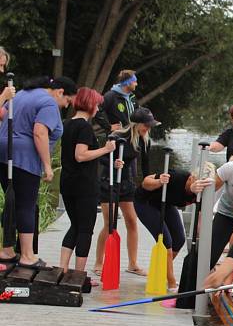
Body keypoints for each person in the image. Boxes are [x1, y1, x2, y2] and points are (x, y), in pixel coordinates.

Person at [0, 76, 77, 269]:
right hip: (24, 158)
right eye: (67, 101)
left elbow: (5, 115)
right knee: (26, 205)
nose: (66, 106)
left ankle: (7, 250)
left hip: (3, 153)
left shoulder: (21, 95)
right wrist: (47, 165)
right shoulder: (48, 103)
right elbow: (40, 132)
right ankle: (27, 256)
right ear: (60, 92)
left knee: (13, 201)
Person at [93, 107, 160, 276]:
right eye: (146, 125)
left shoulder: (145, 141)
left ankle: (132, 264)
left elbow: (146, 168)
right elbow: (100, 157)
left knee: (131, 221)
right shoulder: (116, 137)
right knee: (110, 223)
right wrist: (113, 162)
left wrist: (149, 186)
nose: (148, 129)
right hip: (109, 182)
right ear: (136, 124)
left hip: (127, 185)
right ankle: (99, 262)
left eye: (150, 126)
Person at [58, 87, 117, 278]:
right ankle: (78, 275)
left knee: (75, 225)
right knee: (85, 229)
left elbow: (78, 155)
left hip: (68, 183)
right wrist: (106, 150)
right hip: (84, 186)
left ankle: (63, 269)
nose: (99, 109)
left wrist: (109, 161)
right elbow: (80, 155)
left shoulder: (68, 123)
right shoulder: (84, 126)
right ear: (90, 104)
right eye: (98, 105)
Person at [134, 163, 214, 290]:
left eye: (204, 185)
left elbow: (200, 217)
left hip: (166, 204)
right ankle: (171, 282)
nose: (200, 188)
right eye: (198, 183)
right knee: (167, 242)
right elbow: (146, 182)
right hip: (146, 202)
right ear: (192, 178)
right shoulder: (177, 177)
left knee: (179, 239)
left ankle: (160, 272)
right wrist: (160, 182)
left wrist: (203, 240)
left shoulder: (204, 192)